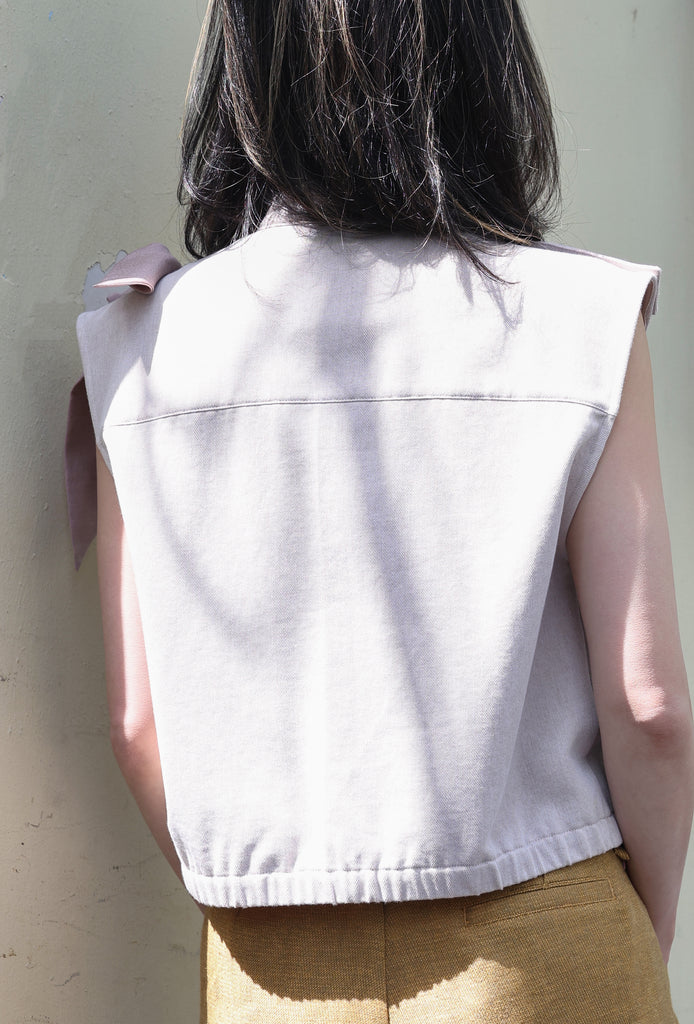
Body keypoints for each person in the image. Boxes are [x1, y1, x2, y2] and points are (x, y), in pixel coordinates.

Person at [66, 0, 694, 1020]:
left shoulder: (145, 341)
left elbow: (140, 727)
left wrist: (277, 906)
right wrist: (641, 931)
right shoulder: (580, 318)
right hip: (552, 935)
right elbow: (649, 706)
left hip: (268, 967)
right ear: (483, 59)